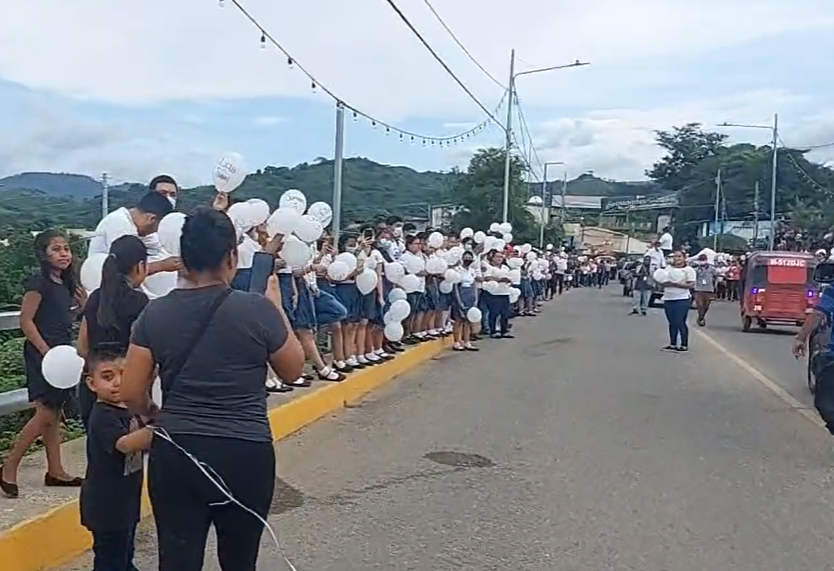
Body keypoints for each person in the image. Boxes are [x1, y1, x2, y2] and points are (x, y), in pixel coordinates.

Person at [120, 207, 305, 571]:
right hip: (245, 453)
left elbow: (130, 392)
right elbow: (292, 370)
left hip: (177, 452)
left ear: (183, 258)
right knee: (239, 561)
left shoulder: (154, 315)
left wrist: (153, 414)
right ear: (232, 256)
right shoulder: (257, 310)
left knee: (176, 560)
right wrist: (277, 307)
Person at [1, 230, 85, 498]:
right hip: (43, 355)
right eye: (56, 249)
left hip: (61, 355)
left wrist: (80, 309)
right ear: (43, 254)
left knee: (54, 413)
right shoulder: (39, 283)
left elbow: (61, 320)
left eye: (66, 248)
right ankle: (9, 466)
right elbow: (27, 321)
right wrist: (46, 352)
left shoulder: (65, 284)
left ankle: (56, 471)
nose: (64, 253)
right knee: (46, 413)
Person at [80, 344, 153, 571]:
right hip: (106, 507)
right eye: (108, 376)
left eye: (124, 374)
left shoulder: (129, 409)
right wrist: (160, 428)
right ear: (92, 383)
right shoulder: (103, 416)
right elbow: (124, 444)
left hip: (126, 503)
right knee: (110, 560)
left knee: (123, 554)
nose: (118, 382)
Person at [77, 236, 150, 430]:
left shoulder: (94, 298)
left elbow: (82, 347)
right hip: (124, 394)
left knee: (99, 454)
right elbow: (147, 356)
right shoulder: (139, 302)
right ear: (140, 266)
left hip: (96, 392)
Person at [88, 191, 180, 275]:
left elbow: (158, 249)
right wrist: (161, 266)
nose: (155, 232)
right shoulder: (119, 225)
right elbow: (128, 271)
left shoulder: (141, 227)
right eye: (157, 228)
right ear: (151, 219)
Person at [659, 250, 696, 352]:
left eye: (679, 257)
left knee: (679, 321)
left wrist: (676, 284)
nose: (677, 259)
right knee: (671, 322)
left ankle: (684, 344)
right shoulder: (668, 268)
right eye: (675, 257)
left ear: (684, 258)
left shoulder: (689, 270)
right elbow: (662, 281)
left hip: (682, 299)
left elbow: (690, 285)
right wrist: (665, 283)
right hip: (668, 298)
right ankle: (673, 344)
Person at [452, 250, 479, 351]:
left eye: (469, 258)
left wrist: (475, 299)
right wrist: (459, 301)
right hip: (461, 293)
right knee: (459, 320)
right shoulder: (457, 270)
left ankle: (467, 341)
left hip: (470, 295)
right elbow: (455, 286)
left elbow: (474, 285)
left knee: (468, 320)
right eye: (466, 258)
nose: (467, 260)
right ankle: (456, 342)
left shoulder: (472, 271)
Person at [693, 253, 717, 326]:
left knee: (706, 306)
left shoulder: (712, 269)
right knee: (700, 305)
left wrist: (715, 286)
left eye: (703, 260)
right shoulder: (696, 269)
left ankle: (701, 317)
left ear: (706, 260)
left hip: (709, 289)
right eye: (700, 260)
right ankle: (701, 318)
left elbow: (715, 277)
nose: (701, 262)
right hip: (698, 289)